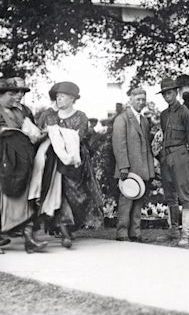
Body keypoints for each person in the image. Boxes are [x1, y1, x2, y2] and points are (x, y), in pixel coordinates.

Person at [37, 82, 103, 248]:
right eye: (57, 96)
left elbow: (78, 137)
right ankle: (64, 232)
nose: (58, 99)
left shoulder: (80, 116)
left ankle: (70, 227)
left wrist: (57, 134)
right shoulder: (49, 115)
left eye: (62, 96)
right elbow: (40, 133)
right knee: (60, 194)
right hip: (54, 163)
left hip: (75, 162)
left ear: (72, 98)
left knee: (79, 196)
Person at [0, 78, 48, 253]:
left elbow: (31, 133)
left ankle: (30, 240)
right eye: (11, 94)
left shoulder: (19, 113)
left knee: (22, 196)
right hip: (2, 162)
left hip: (19, 162)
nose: (16, 97)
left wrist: (41, 134)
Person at [158, 75, 189, 247]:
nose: (167, 96)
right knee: (170, 195)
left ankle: (185, 234)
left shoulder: (185, 113)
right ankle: (173, 231)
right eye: (164, 93)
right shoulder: (164, 114)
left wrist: (186, 156)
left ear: (176, 92)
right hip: (166, 157)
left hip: (180, 154)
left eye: (170, 92)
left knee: (184, 195)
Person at [112, 88, 154, 242]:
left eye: (143, 99)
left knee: (139, 199)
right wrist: (123, 166)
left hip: (142, 167)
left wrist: (150, 168)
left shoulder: (144, 121)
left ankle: (135, 232)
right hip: (128, 168)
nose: (141, 102)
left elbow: (147, 145)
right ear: (130, 99)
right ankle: (122, 232)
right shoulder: (122, 119)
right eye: (138, 99)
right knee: (126, 200)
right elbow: (119, 144)